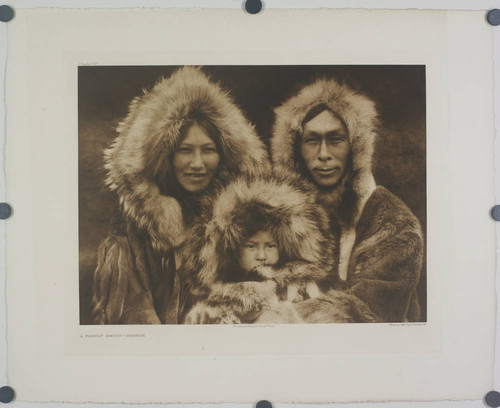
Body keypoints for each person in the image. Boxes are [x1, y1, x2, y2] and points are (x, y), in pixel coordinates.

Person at [90, 66, 268, 324]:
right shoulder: (133, 230)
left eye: (208, 150)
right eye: (185, 150)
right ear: (165, 157)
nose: (197, 163)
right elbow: (132, 317)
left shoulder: (246, 222)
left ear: (224, 155)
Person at [271, 78, 424, 322]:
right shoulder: (276, 214)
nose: (323, 155)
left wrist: (283, 318)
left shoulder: (394, 221)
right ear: (295, 149)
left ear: (354, 147)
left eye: (335, 140)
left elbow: (370, 310)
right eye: (312, 140)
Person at [181, 170, 377, 324]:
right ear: (233, 251)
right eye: (251, 246)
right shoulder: (220, 292)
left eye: (270, 246)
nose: (261, 255)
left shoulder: (299, 288)